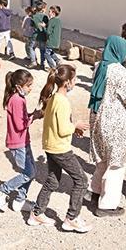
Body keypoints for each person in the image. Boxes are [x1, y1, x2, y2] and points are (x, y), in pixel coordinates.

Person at [88, 36, 126, 217]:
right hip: (114, 121)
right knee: (116, 163)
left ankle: (94, 191)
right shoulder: (118, 71)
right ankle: (107, 204)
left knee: (103, 158)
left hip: (97, 118)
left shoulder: (99, 66)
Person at [28, 65, 91, 233]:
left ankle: (36, 213)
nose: (76, 82)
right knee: (82, 180)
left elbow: (57, 123)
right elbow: (63, 129)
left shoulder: (54, 97)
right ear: (68, 82)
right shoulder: (62, 102)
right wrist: (75, 125)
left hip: (51, 146)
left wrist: (73, 127)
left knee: (53, 180)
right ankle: (72, 218)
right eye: (75, 79)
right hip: (60, 149)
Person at [0, 69, 39, 213]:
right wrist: (34, 117)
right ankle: (1, 190)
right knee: (28, 173)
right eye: (28, 85)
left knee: (32, 171)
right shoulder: (17, 100)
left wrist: (33, 114)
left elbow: (21, 119)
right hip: (18, 143)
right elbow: (20, 125)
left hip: (24, 141)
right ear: (19, 86)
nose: (30, 88)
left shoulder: (18, 98)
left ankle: (20, 200)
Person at [31, 2, 48, 69]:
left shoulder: (34, 16)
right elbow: (47, 25)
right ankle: (42, 64)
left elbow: (31, 25)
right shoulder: (45, 17)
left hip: (35, 36)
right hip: (43, 36)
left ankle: (33, 61)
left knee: (32, 48)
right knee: (42, 50)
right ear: (43, 9)